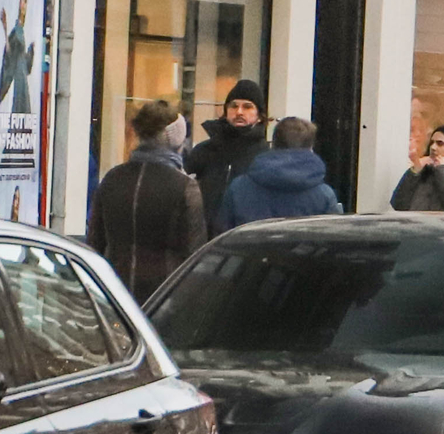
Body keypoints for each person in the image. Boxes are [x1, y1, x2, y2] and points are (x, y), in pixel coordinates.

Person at [86, 99, 206, 300]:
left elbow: (95, 243)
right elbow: (194, 253)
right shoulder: (184, 187)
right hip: (165, 295)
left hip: (114, 291)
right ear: (175, 137)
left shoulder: (112, 179)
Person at [219, 117, 342, 228]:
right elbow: (334, 239)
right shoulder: (324, 194)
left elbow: (222, 234)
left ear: (273, 144)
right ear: (311, 148)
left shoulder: (238, 188)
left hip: (247, 252)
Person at [186, 79, 269, 230]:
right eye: (234, 106)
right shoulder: (205, 151)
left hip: (245, 237)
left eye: (247, 107)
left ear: (260, 116)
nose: (239, 112)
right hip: (204, 237)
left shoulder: (266, 157)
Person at [391, 126, 444, 212]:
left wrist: (442, 170)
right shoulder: (424, 173)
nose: (433, 147)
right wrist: (414, 172)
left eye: (440, 143)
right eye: (432, 143)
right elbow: (398, 204)